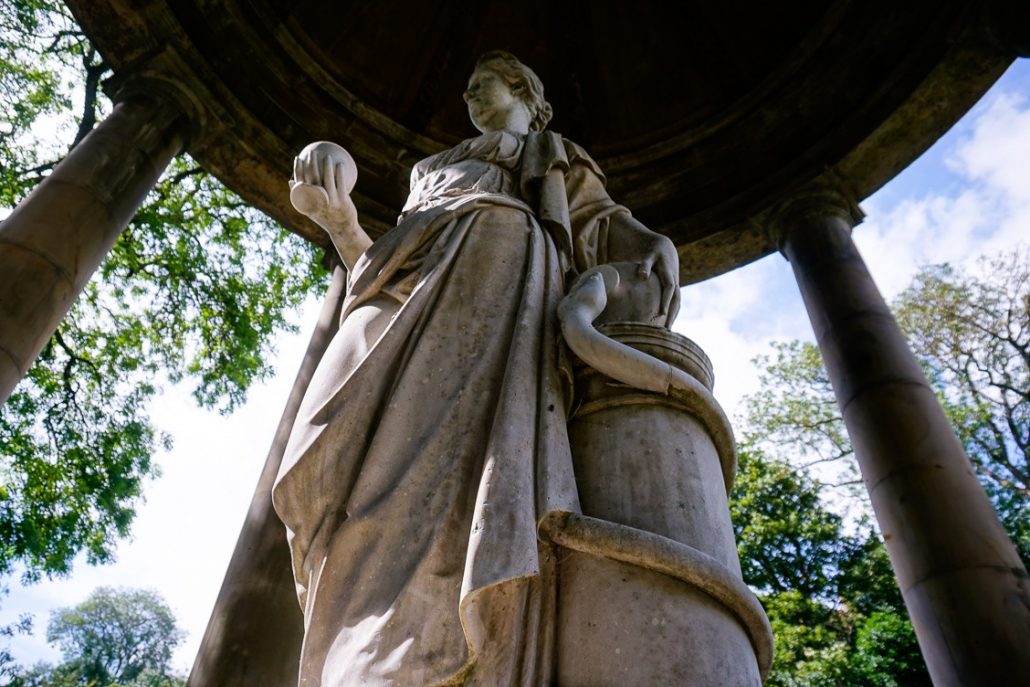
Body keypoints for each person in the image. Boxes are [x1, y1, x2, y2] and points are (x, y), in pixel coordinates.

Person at [273, 50, 679, 686]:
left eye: (480, 85)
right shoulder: (429, 171)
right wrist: (341, 220)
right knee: (334, 452)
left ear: (521, 89)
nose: (468, 98)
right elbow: (376, 261)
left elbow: (602, 227)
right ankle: (355, 644)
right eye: (465, 90)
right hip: (400, 287)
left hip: (495, 272)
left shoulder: (548, 152)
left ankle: (422, 645)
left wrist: (651, 248)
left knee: (460, 460)